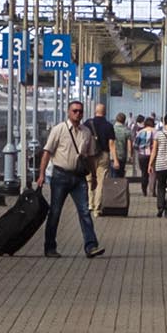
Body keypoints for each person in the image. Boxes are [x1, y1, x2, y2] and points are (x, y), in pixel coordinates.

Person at [39, 99, 106, 258]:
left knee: (84, 211)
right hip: (60, 176)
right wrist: (41, 175)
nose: (78, 114)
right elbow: (47, 152)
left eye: (80, 111)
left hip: (79, 178)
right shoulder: (59, 130)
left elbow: (89, 157)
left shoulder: (86, 132)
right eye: (74, 111)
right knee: (55, 212)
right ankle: (50, 247)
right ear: (68, 112)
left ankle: (91, 246)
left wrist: (94, 175)